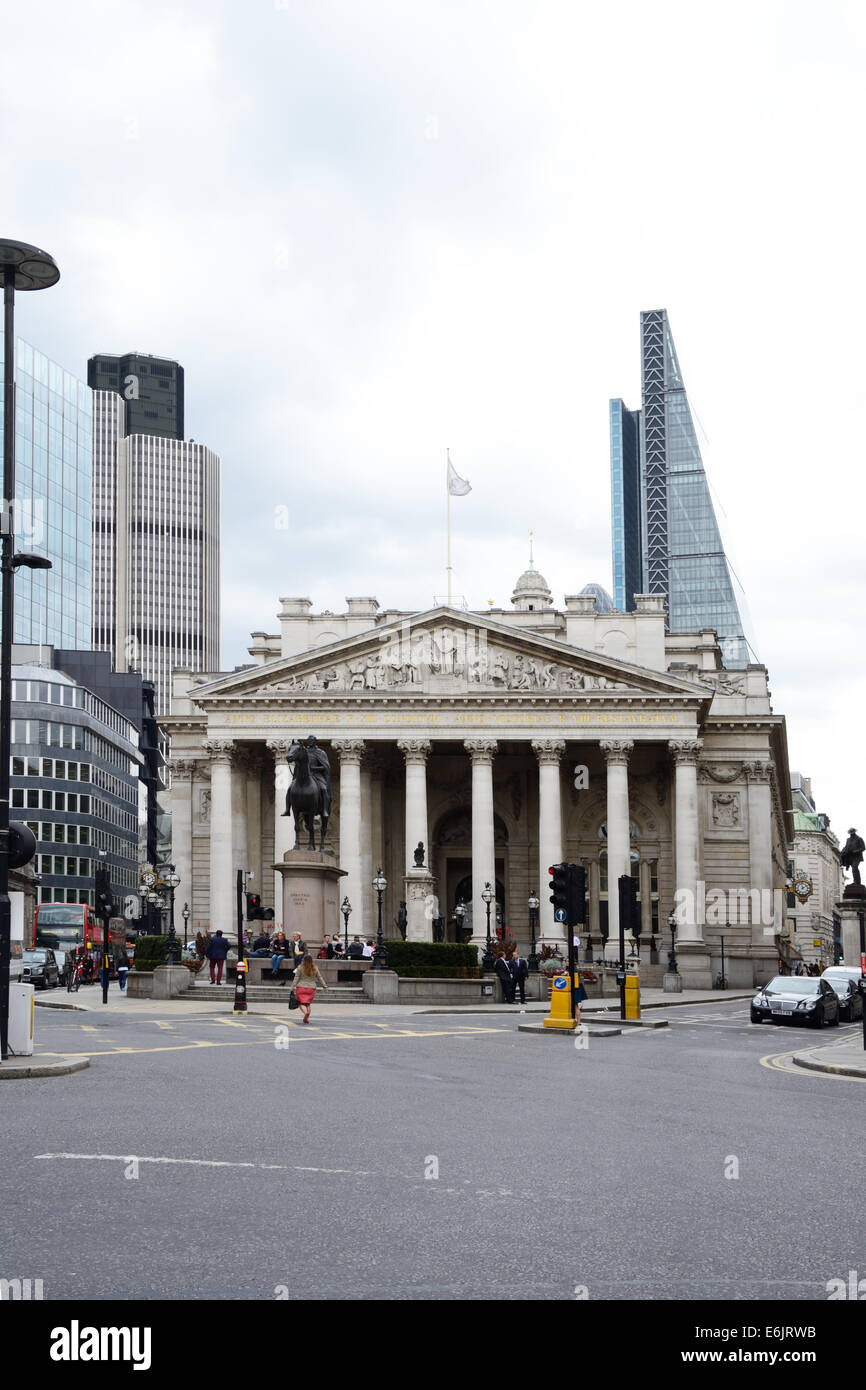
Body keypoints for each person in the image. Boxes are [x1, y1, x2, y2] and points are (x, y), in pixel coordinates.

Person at [292, 953, 329, 1024]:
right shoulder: (315, 968)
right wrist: (325, 986)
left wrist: (292, 987)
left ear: (303, 960)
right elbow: (319, 978)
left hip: (301, 987)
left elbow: (296, 978)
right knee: (307, 1003)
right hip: (311, 988)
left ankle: (306, 1013)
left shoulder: (300, 967)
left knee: (301, 1003)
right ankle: (307, 1015)